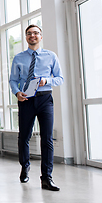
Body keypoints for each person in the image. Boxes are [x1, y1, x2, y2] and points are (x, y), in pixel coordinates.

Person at [9, 25, 63, 191]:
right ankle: (25, 166)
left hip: (45, 98)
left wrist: (47, 80)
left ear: (41, 36)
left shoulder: (51, 56)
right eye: (29, 33)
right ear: (26, 37)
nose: (32, 36)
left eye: (36, 33)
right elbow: (13, 80)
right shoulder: (19, 57)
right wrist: (17, 92)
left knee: (46, 139)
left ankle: (46, 177)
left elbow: (59, 78)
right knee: (24, 136)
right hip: (26, 99)